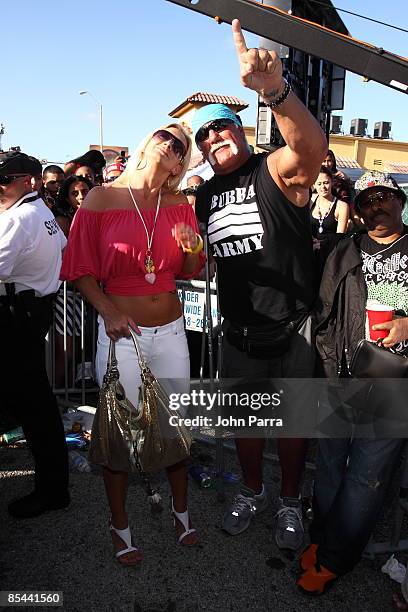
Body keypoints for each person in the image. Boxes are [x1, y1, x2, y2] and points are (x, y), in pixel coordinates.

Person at [192, 19, 327, 550]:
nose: (212, 138)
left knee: (293, 426)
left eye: (221, 127)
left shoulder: (274, 170)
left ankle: (291, 501)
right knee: (247, 426)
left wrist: (276, 92)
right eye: (204, 136)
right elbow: (209, 256)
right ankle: (251, 491)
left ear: (240, 130)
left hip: (293, 330)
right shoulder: (204, 195)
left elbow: (310, 147)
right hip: (239, 334)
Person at [60, 123, 205, 565]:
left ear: (181, 163)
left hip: (173, 331)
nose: (170, 143)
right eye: (165, 134)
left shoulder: (180, 204)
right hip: (122, 334)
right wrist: (108, 311)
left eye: (180, 145)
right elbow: (79, 268)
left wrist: (194, 246)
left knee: (176, 425)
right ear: (148, 141)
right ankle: (119, 523)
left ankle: (181, 513)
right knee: (120, 430)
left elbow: (195, 268)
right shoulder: (100, 199)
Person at [298, 170, 408, 594]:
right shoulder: (345, 250)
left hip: (393, 386)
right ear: (357, 210)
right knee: (328, 467)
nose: (376, 205)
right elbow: (324, 314)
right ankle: (322, 539)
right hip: (340, 376)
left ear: (400, 201)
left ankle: (334, 560)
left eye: (384, 197)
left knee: (365, 476)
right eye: (366, 200)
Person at [0, 151, 69, 518]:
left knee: (36, 409)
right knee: (34, 405)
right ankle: (54, 486)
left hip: (16, 317)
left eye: (3, 180)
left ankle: (53, 489)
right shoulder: (39, 211)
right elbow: (60, 246)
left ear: (27, 180)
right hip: (30, 311)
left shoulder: (20, 218)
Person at [53, 176, 93, 387]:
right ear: (66, 197)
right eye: (74, 193)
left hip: (89, 293)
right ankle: (58, 401)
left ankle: (68, 401)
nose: (80, 197)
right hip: (67, 293)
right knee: (66, 352)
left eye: (85, 191)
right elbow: (63, 257)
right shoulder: (62, 221)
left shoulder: (95, 217)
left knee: (77, 352)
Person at [310, 166, 349, 241]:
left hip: (331, 249)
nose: (323, 187)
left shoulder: (341, 206)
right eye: (319, 184)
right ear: (314, 185)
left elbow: (339, 237)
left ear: (332, 182)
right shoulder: (311, 200)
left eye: (326, 183)